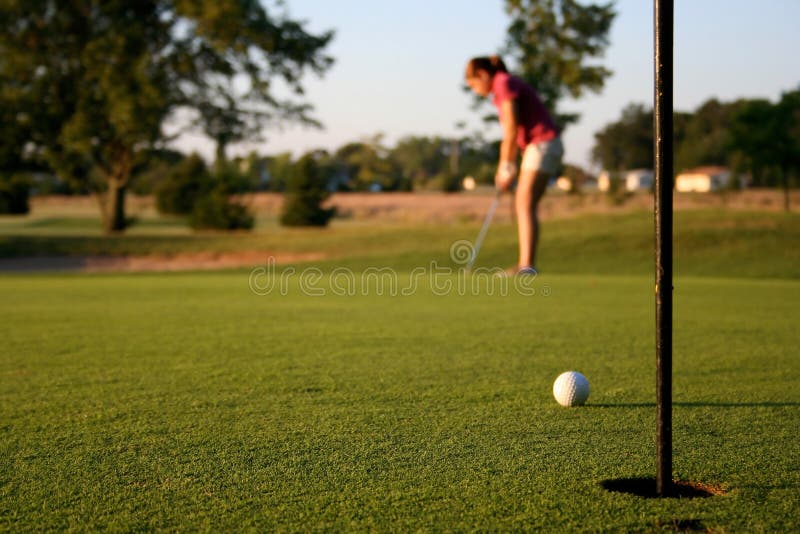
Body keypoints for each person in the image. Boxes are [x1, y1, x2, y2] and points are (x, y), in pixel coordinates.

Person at [465, 55, 563, 275]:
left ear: (482, 75)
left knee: (524, 202)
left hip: (543, 144)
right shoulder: (503, 84)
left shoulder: (502, 83)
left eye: (473, 84)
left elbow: (510, 128)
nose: (474, 90)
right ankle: (525, 264)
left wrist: (505, 166)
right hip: (538, 146)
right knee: (524, 203)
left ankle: (527, 266)